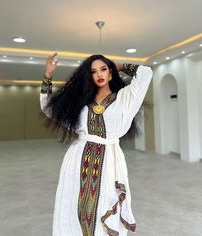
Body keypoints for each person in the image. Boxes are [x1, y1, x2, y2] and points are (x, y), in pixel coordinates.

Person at [40, 53, 153, 236]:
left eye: (103, 69)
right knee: (76, 206)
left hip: (109, 161)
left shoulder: (124, 98)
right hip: (77, 159)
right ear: (89, 76)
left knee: (104, 203)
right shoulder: (80, 102)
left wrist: (118, 65)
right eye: (93, 71)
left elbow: (145, 72)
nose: (99, 74)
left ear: (110, 74)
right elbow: (48, 108)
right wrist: (47, 75)